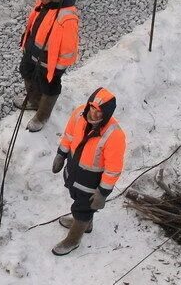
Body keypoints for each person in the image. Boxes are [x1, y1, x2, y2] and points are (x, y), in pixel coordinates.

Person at [51, 87, 126, 256]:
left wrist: (102, 193)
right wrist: (60, 155)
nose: (93, 113)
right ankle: (85, 224)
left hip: (91, 182)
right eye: (92, 107)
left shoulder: (115, 136)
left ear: (106, 113)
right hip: (73, 171)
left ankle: (73, 239)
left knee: (83, 209)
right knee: (77, 199)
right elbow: (68, 136)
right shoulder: (79, 114)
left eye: (99, 111)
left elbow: (113, 170)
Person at [17, 0, 80, 132]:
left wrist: (58, 68)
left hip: (49, 61)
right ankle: (34, 101)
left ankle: (42, 117)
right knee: (26, 71)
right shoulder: (44, 3)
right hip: (32, 51)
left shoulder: (66, 18)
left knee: (49, 86)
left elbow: (69, 48)